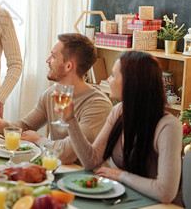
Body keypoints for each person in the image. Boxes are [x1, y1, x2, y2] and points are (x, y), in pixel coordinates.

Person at [63, 51, 182, 203]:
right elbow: (91, 161)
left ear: (131, 82)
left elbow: (165, 192)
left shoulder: (168, 126)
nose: (108, 79)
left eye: (112, 75)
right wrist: (70, 120)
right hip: (128, 199)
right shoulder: (119, 111)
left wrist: (121, 175)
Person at [0, 33, 112, 164]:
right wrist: (3, 127)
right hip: (57, 169)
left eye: (53, 56)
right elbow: (25, 125)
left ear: (68, 66)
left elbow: (67, 153)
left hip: (88, 179)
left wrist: (39, 140)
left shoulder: (97, 104)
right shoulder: (51, 94)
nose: (47, 60)